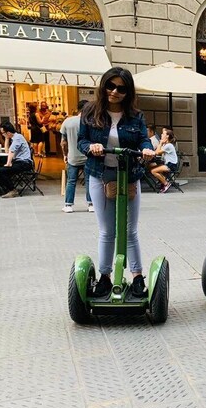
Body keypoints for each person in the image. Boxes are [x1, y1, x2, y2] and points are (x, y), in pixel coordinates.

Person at [77, 67, 155, 298]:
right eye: (110, 86)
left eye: (121, 88)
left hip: (129, 174)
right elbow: (81, 139)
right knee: (107, 230)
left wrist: (147, 150)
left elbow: (143, 139)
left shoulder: (135, 115)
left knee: (130, 230)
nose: (114, 92)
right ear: (103, 86)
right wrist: (90, 147)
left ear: (128, 91)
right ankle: (105, 277)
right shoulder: (90, 112)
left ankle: (137, 276)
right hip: (99, 174)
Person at [60, 100, 92, 213]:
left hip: (72, 157)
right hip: (88, 157)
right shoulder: (90, 122)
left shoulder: (68, 122)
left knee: (71, 181)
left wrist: (65, 154)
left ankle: (68, 205)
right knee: (89, 180)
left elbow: (63, 142)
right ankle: (91, 204)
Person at [0, 121, 33, 198]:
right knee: (0, 169)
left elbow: (11, 151)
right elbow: (7, 151)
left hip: (24, 163)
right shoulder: (14, 138)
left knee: (0, 171)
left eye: (3, 133)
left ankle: (12, 190)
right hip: (19, 162)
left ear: (8, 132)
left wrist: (8, 163)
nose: (2, 134)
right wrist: (6, 139)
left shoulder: (18, 138)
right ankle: (9, 189)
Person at [151, 128, 178, 193]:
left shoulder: (168, 145)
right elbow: (157, 152)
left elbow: (156, 152)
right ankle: (164, 181)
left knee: (153, 171)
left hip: (171, 165)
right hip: (169, 164)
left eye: (163, 134)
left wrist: (160, 143)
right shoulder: (167, 145)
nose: (161, 135)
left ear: (167, 136)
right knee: (152, 167)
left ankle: (166, 183)